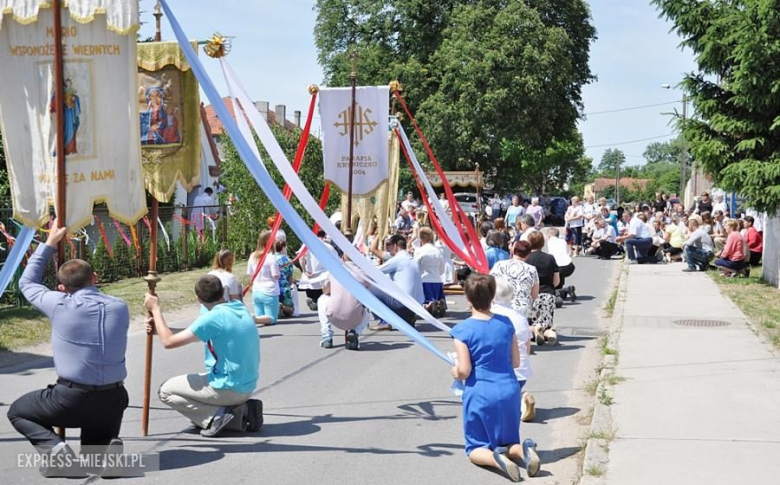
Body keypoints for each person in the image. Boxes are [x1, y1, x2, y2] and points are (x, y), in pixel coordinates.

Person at [8, 221, 129, 477]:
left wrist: (50, 243)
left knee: (18, 411)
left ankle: (56, 451)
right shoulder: (120, 306)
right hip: (114, 398)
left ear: (62, 288)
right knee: (93, 462)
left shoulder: (60, 304)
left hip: (72, 400)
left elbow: (27, 282)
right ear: (95, 278)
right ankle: (106, 452)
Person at [144, 276, 262, 437]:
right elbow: (192, 334)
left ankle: (215, 417)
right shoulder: (238, 307)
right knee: (193, 383)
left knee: (165, 391)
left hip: (229, 387)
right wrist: (159, 329)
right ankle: (243, 410)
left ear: (198, 299)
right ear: (223, 291)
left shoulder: (213, 318)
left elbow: (168, 342)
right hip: (247, 384)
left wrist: (156, 309)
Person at [450, 274, 540, 481]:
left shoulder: (462, 330)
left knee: (475, 447)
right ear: (492, 296)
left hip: (480, 391)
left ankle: (496, 460)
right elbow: (516, 362)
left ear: (468, 298)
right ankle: (523, 453)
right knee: (509, 439)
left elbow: (464, 370)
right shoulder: (506, 323)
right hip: (509, 388)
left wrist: (455, 371)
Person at [492, 277, 536, 422]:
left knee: (499, 404)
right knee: (511, 392)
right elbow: (527, 346)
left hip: (500, 370)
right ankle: (520, 399)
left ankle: (520, 403)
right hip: (522, 368)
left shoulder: (490, 315)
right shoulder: (520, 316)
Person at [318, 250, 371, 350]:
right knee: (368, 314)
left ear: (342, 257)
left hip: (334, 315)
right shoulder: (361, 274)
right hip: (355, 317)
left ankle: (326, 335)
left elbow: (326, 291)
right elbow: (369, 288)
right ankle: (355, 332)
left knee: (321, 300)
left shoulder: (335, 270)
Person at [371, 234, 425, 330]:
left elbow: (374, 272)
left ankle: (385, 321)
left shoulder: (398, 259)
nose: (387, 248)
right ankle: (406, 318)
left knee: (370, 288)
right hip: (415, 306)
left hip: (402, 304)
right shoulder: (411, 259)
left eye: (389, 245)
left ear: (395, 246)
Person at [525, 231, 560, 345]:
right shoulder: (550, 258)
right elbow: (557, 280)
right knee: (547, 322)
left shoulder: (526, 259)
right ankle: (549, 332)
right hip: (548, 294)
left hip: (532, 296)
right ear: (543, 243)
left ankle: (537, 330)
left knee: (531, 321)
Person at [490, 241, 540, 320]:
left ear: (513, 251)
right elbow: (534, 295)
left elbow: (489, 285)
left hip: (500, 305)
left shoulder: (499, 265)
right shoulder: (532, 269)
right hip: (522, 309)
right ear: (528, 255)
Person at [298, 230, 338, 311]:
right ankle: (317, 303)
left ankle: (314, 302)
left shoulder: (307, 245)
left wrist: (304, 271)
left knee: (314, 297)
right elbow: (336, 260)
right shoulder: (329, 246)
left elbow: (301, 258)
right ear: (324, 235)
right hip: (324, 277)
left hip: (311, 276)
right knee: (324, 298)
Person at [247, 230, 281, 327]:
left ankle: (255, 318)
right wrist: (279, 274)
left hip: (256, 290)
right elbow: (275, 275)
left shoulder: (252, 256)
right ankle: (253, 319)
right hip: (269, 291)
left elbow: (250, 274)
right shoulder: (271, 257)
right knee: (272, 318)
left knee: (261, 317)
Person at [414, 227, 447, 317]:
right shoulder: (438, 250)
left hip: (424, 279)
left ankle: (429, 305)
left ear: (421, 239)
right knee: (437, 295)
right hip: (437, 280)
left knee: (422, 301)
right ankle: (440, 302)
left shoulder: (419, 251)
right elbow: (442, 267)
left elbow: (415, 266)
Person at [545, 227, 577, 302]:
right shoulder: (563, 241)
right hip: (569, 265)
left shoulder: (550, 241)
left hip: (559, 266)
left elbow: (550, 256)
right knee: (560, 277)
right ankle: (565, 290)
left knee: (553, 283)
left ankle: (562, 291)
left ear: (550, 235)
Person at [274, 240, 295, 318]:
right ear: (283, 248)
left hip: (272, 287)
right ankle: (283, 308)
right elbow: (290, 278)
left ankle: (276, 307)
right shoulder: (287, 260)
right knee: (291, 310)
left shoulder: (270, 258)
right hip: (283, 287)